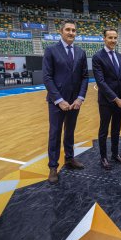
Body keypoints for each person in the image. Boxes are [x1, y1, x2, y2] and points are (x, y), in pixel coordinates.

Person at [42, 20, 89, 184]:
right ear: (61, 32)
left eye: (74, 30)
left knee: (70, 131)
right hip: (57, 102)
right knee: (55, 134)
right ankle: (53, 167)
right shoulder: (51, 51)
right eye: (68, 30)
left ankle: (69, 158)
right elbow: (47, 78)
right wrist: (59, 100)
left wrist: (80, 98)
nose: (71, 33)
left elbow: (85, 77)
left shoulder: (80, 52)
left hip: (75, 102)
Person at [92, 28, 121, 170]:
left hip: (120, 99)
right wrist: (115, 99)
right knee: (104, 130)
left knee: (116, 129)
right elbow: (101, 82)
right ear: (104, 39)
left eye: (115, 38)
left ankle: (115, 154)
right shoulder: (97, 57)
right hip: (107, 101)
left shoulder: (120, 56)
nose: (113, 40)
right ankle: (103, 158)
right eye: (110, 38)